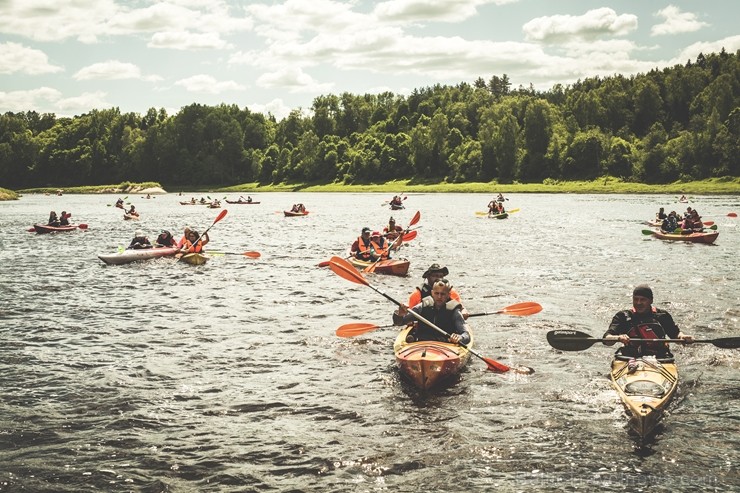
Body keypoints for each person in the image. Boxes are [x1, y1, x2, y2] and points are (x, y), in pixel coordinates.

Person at [603, 285, 693, 360]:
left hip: (659, 357)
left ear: (651, 301)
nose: (638, 303)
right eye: (636, 299)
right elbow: (607, 339)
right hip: (630, 357)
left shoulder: (662, 315)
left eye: (643, 300)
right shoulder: (623, 316)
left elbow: (675, 334)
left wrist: (683, 337)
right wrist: (618, 337)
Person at [393, 278, 471, 345]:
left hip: (445, 345)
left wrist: (459, 338)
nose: (439, 297)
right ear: (432, 293)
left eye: (443, 294)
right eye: (437, 293)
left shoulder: (454, 312)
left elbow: (466, 335)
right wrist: (400, 314)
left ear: (448, 295)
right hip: (421, 344)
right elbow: (399, 322)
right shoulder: (421, 307)